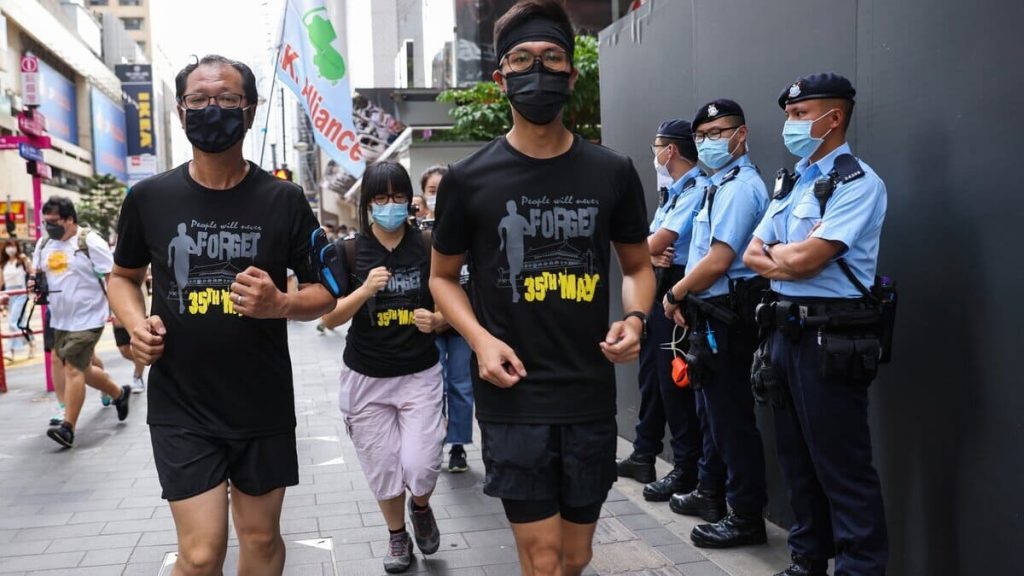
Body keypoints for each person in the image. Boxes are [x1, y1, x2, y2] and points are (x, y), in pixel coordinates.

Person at [430, 2, 655, 574]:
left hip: (588, 391)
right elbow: (441, 278)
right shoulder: (467, 179)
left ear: (571, 74)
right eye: (523, 59)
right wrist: (480, 340)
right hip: (513, 395)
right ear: (500, 77)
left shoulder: (612, 172)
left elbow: (636, 268)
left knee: (576, 558)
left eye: (552, 57)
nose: (538, 69)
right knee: (544, 560)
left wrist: (635, 320)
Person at [108, 54, 335, 576]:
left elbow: (326, 291)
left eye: (228, 99)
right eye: (199, 99)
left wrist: (281, 303)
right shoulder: (149, 198)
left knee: (259, 538)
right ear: (181, 111)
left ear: (250, 111)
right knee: (203, 551)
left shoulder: (285, 199)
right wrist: (135, 324)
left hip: (261, 400)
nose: (213, 108)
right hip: (181, 403)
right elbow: (122, 276)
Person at [743, 72, 888, 576]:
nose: (791, 123)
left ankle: (859, 568)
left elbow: (808, 260)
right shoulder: (792, 181)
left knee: (842, 467)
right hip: (783, 333)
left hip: (832, 335)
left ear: (835, 117)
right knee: (797, 459)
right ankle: (808, 561)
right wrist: (790, 258)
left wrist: (784, 258)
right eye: (789, 114)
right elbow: (751, 253)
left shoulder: (857, 183)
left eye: (801, 115)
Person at [320, 162, 444, 574]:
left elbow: (450, 296)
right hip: (365, 377)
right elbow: (329, 317)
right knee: (384, 466)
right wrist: (364, 289)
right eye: (380, 198)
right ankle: (397, 535)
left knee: (422, 465)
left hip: (420, 373)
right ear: (367, 204)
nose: (390, 206)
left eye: (397, 197)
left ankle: (421, 507)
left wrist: (438, 320)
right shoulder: (349, 251)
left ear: (410, 200)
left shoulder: (428, 244)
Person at [661, 99, 769, 548]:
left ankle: (745, 517)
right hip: (709, 313)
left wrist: (675, 292)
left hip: (729, 317)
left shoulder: (742, 188)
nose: (708, 142)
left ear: (740, 135)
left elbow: (720, 259)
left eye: (717, 133)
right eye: (701, 135)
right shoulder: (716, 184)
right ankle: (715, 496)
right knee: (713, 417)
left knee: (731, 420)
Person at [617, 119, 715, 504]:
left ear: (669, 150)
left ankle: (685, 468)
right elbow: (645, 246)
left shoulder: (696, 189)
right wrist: (650, 250)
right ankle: (644, 453)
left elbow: (654, 243)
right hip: (660, 281)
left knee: (676, 384)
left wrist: (651, 249)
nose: (654, 153)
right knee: (652, 376)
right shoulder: (672, 192)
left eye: (656, 146)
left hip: (681, 287)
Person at [33, 196, 131, 448]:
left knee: (73, 369)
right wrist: (35, 285)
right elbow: (37, 274)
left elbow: (113, 277)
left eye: (54, 222)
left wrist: (119, 311)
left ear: (69, 219)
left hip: (89, 318)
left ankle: (68, 428)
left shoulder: (90, 242)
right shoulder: (44, 244)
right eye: (46, 222)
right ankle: (118, 393)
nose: (49, 227)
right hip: (59, 318)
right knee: (84, 370)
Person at [420, 165, 474, 473]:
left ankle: (458, 446)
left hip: (462, 323)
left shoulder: (470, 229)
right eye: (432, 190)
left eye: (443, 189)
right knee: (432, 385)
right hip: (429, 325)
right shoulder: (417, 236)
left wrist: (450, 316)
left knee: (460, 384)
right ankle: (433, 440)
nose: (438, 196)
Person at [1, 239, 35, 361]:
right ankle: (31, 343)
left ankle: (10, 351)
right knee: (19, 324)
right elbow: (2, 282)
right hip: (9, 294)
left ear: (17, 247)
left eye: (13, 246)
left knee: (12, 322)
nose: (10, 249)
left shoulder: (21, 261)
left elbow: (32, 272)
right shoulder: (3, 264)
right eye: (8, 246)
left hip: (21, 293)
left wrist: (26, 259)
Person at [112, 316, 146, 392]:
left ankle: (138, 377)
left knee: (138, 347)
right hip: (118, 317)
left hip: (136, 316)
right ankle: (140, 363)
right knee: (123, 350)